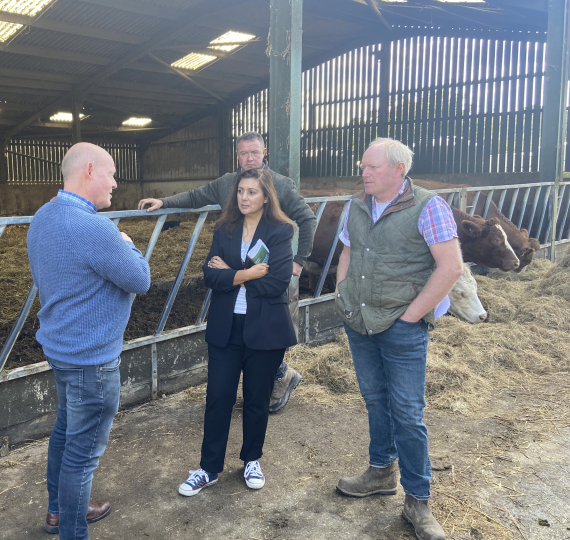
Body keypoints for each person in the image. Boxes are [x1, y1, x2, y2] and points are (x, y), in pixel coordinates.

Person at [334, 138, 462, 540]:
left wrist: (411, 316)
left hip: (402, 326)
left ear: (398, 170)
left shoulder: (429, 207)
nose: (364, 173)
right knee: (375, 400)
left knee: (407, 412)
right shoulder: (355, 205)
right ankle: (380, 471)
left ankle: (418, 500)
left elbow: (451, 267)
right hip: (360, 321)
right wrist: (342, 295)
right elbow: (347, 252)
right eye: (363, 166)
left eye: (371, 167)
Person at [138, 132, 316, 413]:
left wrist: (299, 260)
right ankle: (264, 383)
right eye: (244, 154)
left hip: (270, 271)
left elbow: (307, 217)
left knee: (268, 327)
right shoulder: (226, 183)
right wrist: (164, 202)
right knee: (239, 331)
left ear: (264, 152)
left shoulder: (279, 185)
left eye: (254, 153)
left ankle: (279, 376)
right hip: (233, 272)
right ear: (237, 155)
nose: (249, 159)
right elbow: (196, 196)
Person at [27, 142, 151, 540]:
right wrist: (130, 245)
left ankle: (57, 513)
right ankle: (72, 532)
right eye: (112, 174)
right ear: (90, 170)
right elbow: (140, 280)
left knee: (65, 435)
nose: (115, 184)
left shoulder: (43, 217)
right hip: (92, 361)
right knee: (82, 457)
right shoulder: (94, 227)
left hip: (62, 351)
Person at [178, 167, 298, 497]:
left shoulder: (280, 231)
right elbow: (209, 276)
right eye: (241, 191)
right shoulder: (224, 228)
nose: (244, 197)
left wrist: (230, 274)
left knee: (256, 399)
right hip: (226, 327)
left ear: (266, 196)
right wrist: (246, 273)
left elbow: (277, 284)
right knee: (218, 397)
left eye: (252, 192)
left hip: (265, 330)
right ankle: (208, 468)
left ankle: (251, 460)